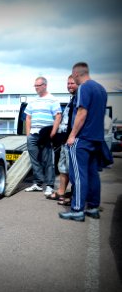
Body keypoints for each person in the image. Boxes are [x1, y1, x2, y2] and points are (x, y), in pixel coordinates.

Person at [59, 62, 112, 221]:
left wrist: (72, 135)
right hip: (97, 138)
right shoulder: (101, 89)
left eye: (72, 76)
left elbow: (82, 112)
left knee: (79, 175)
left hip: (82, 138)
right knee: (92, 174)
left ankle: (77, 210)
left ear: (76, 73)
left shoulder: (84, 88)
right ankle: (93, 208)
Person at [24, 77, 62, 196]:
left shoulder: (53, 100)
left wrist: (53, 133)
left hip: (46, 135)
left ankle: (50, 186)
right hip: (33, 135)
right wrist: (28, 134)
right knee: (35, 161)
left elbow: (58, 116)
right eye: (35, 85)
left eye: (38, 85)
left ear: (45, 85)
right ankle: (38, 183)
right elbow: (28, 117)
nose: (36, 87)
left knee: (48, 161)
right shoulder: (33, 101)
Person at [46, 75, 77, 204]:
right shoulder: (72, 99)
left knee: (74, 170)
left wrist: (73, 136)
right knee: (63, 168)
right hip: (64, 141)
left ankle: (75, 196)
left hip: (72, 141)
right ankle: (61, 191)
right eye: (68, 83)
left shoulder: (80, 99)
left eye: (72, 83)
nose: (69, 85)